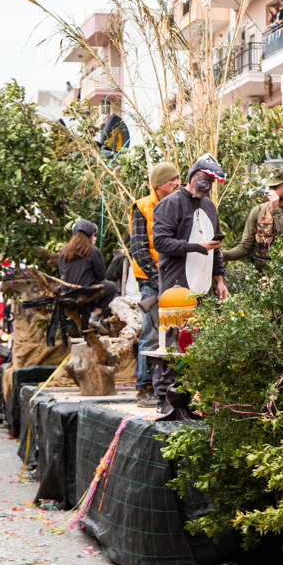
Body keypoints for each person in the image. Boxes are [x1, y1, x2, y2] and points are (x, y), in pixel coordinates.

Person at [129, 161, 181, 408]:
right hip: (152, 280)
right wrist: (157, 279)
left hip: (175, 280)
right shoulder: (141, 207)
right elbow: (139, 249)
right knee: (150, 334)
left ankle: (170, 387)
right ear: (160, 185)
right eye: (174, 182)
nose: (178, 185)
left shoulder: (179, 204)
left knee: (176, 335)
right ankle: (144, 388)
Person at [151, 153, 228, 299]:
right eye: (203, 181)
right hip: (175, 289)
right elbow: (160, 242)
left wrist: (220, 280)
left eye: (211, 182)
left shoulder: (210, 206)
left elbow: (215, 249)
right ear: (191, 177)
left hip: (204, 289)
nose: (207, 187)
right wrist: (196, 247)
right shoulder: (170, 204)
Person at [223, 167, 283, 271]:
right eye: (269, 187)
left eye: (275, 187)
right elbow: (245, 247)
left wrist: (275, 211)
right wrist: (223, 255)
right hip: (262, 275)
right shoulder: (258, 211)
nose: (270, 191)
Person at [57, 219, 119, 334]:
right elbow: (101, 276)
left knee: (94, 289)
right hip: (84, 292)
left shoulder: (64, 251)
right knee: (112, 287)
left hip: (66, 292)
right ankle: (95, 316)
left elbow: (62, 273)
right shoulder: (93, 251)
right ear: (90, 235)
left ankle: (85, 321)